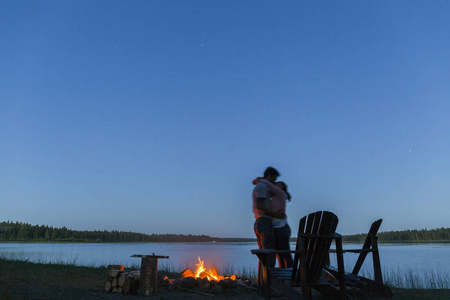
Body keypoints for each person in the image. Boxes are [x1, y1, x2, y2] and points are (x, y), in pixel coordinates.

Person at [252, 167, 285, 285]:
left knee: (264, 255)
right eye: (274, 178)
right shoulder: (263, 187)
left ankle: (262, 283)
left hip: (259, 222)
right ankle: (267, 286)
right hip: (264, 222)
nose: (274, 182)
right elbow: (260, 205)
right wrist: (274, 214)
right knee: (269, 255)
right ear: (270, 176)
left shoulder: (261, 186)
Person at [255, 178, 294, 268]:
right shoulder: (274, 196)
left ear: (282, 187)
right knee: (279, 255)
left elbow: (269, 185)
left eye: (278, 183)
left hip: (281, 227)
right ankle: (282, 277)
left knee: (285, 254)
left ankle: (289, 275)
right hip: (277, 228)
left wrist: (261, 180)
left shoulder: (281, 194)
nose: (275, 184)